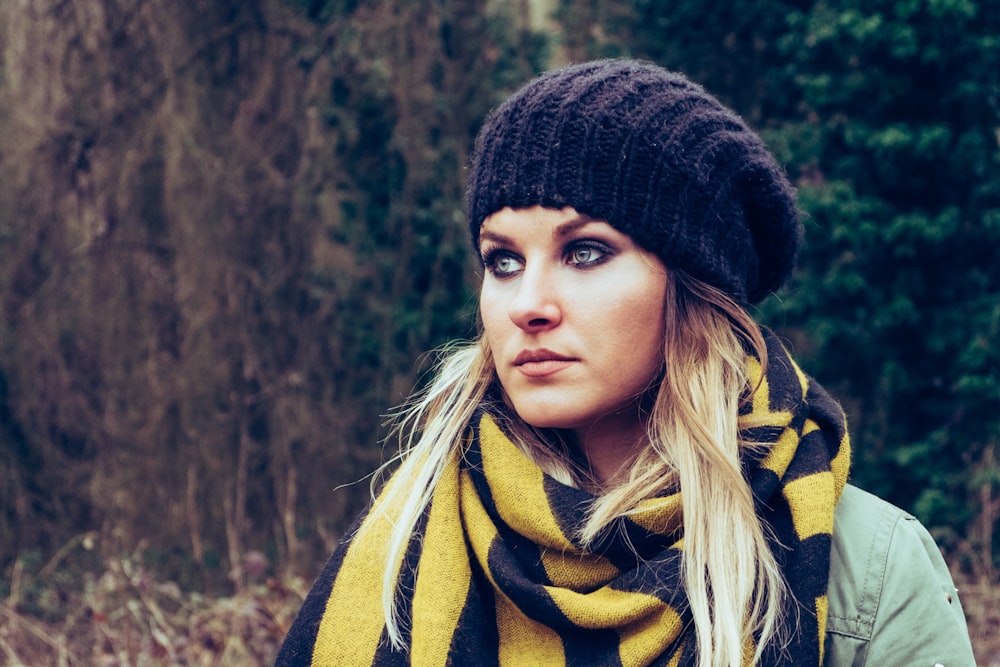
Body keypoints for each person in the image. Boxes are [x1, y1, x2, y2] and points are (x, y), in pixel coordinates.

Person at [275, 59, 976, 666]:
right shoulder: (406, 544)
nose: (528, 303)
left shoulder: (866, 565)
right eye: (503, 260)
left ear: (691, 286)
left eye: (585, 252)